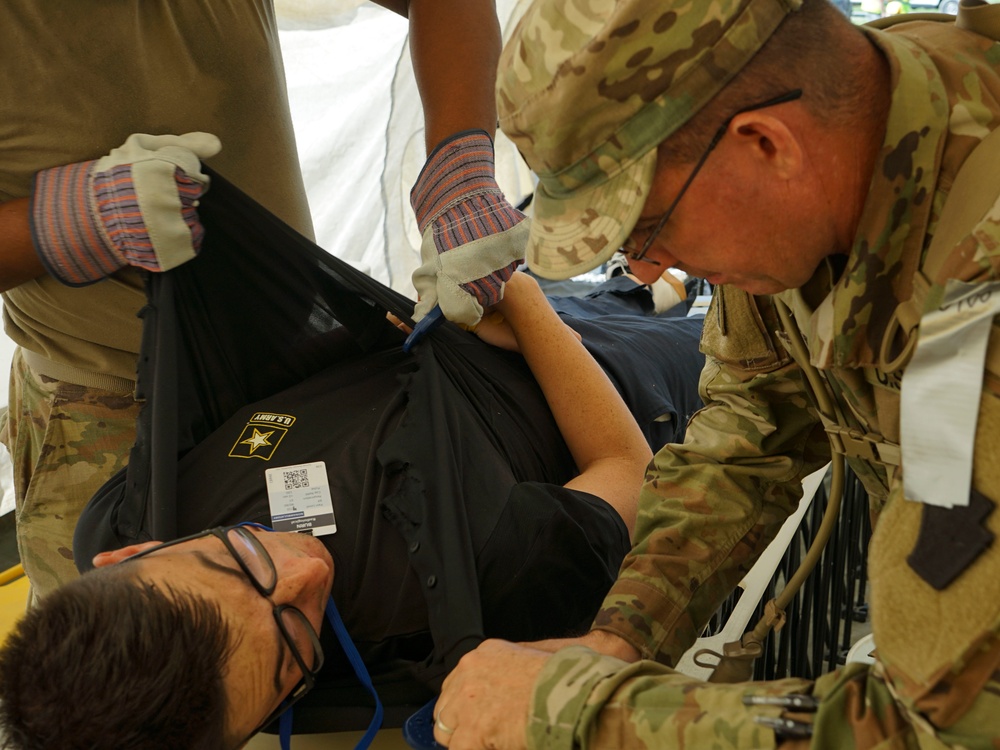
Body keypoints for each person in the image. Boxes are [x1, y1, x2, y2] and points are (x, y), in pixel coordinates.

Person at [431, 0, 1000, 747]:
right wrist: (621, 638)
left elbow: (941, 727)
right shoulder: (839, 132)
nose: (642, 268)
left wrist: (580, 715)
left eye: (647, 225)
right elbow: (746, 430)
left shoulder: (979, 293)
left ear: (766, 145)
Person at [0, 268, 690, 748]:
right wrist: (525, 303)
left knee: (628, 289)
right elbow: (629, 470)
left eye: (237, 560)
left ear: (127, 557)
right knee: (725, 327)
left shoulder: (123, 516)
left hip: (476, 326)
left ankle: (655, 289)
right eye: (293, 649)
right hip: (617, 379)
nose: (305, 573)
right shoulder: (483, 583)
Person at [0, 0, 523, 603]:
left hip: (299, 372)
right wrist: (64, 223)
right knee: (133, 674)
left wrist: (461, 166)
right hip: (106, 411)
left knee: (328, 632)